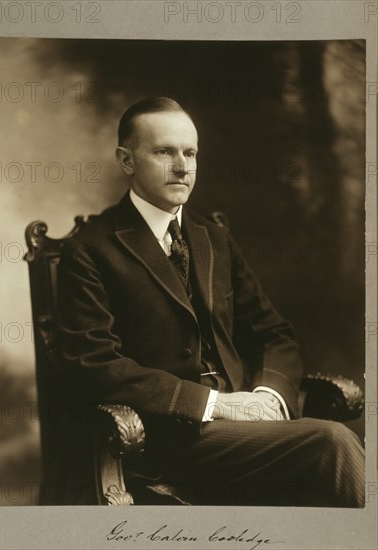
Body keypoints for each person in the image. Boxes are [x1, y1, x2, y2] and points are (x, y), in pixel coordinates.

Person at [57, 97, 365, 507]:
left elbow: (273, 333)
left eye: (190, 153)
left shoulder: (212, 238)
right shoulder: (91, 250)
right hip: (165, 438)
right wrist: (216, 405)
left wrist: (267, 399)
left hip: (247, 429)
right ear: (126, 160)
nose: (183, 167)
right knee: (333, 442)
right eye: (164, 151)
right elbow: (95, 366)